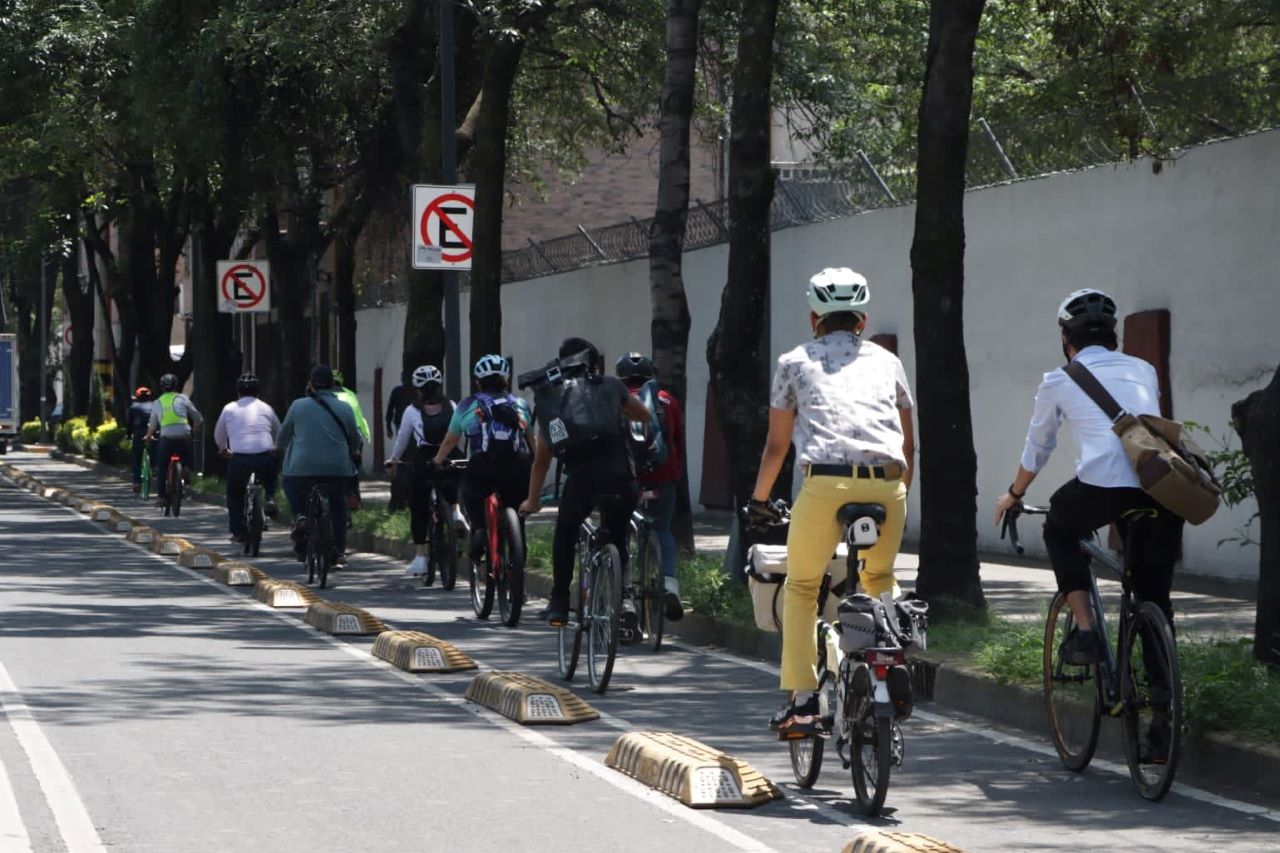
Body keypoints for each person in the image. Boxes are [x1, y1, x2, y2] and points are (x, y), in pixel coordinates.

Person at [993, 288, 1182, 761]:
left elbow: (1038, 447)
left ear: (1066, 339)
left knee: (1058, 528)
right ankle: (1161, 726)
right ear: (1113, 337)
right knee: (1153, 597)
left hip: (1101, 489)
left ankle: (1085, 628)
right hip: (1160, 488)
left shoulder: (1058, 379)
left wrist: (1014, 495)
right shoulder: (1143, 369)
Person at [746, 268, 915, 735]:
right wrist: (898, 494)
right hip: (887, 485)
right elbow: (908, 442)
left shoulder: (794, 362)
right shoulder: (887, 361)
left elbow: (777, 447)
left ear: (813, 317)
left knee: (802, 587)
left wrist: (759, 500)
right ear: (862, 319)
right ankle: (890, 658)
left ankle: (802, 703)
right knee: (878, 575)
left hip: (825, 487)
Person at [519, 337, 651, 628]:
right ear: (593, 363)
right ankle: (625, 598)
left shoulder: (552, 400)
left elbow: (542, 461)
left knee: (566, 531)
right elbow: (644, 415)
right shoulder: (611, 386)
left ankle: (559, 602)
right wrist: (618, 410)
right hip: (619, 475)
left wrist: (533, 500)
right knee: (618, 536)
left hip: (582, 479)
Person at [432, 355, 535, 575]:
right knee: (518, 520)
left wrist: (437, 461)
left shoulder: (467, 405)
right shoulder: (520, 404)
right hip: (518, 466)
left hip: (483, 466)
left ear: (478, 382)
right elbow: (531, 441)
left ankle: (479, 531)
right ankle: (518, 575)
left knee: (471, 495)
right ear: (506, 380)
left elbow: (451, 440)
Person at [616, 352, 685, 621]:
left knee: (620, 533)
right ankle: (669, 584)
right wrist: (673, 473)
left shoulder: (615, 399)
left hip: (625, 477)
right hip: (662, 475)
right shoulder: (667, 400)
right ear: (650, 375)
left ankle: (627, 596)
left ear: (620, 376)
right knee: (663, 530)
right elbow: (676, 440)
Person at [384, 365, 463, 580]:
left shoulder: (412, 410)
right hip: (451, 453)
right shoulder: (452, 406)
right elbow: (458, 432)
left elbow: (402, 438)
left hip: (425, 457)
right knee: (452, 481)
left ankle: (420, 556)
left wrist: (394, 460)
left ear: (417, 389)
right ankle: (456, 511)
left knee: (418, 504)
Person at [278, 365, 362, 567]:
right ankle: (340, 552)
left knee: (289, 483)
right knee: (338, 505)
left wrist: (279, 448)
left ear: (311, 384)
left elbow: (282, 436)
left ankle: (299, 515)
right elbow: (355, 439)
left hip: (302, 469)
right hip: (337, 469)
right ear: (333, 385)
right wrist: (351, 450)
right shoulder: (345, 407)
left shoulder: (297, 406)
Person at [213, 373, 281, 543]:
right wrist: (275, 448)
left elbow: (219, 434)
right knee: (270, 478)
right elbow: (278, 431)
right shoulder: (266, 408)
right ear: (258, 392)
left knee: (234, 494)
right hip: (265, 455)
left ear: (238, 391)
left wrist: (223, 449)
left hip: (240, 458)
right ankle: (271, 497)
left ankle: (238, 532)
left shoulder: (229, 408)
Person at [144, 373, 204, 505]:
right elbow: (198, 418)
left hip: (166, 438)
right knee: (186, 458)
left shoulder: (158, 402)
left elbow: (152, 424)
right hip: (184, 435)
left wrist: (148, 436)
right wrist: (196, 429)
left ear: (161, 387)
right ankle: (186, 470)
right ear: (176, 385)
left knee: (162, 467)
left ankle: (161, 497)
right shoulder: (183, 399)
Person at [332, 368, 370, 510]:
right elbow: (359, 418)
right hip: (355, 437)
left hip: (334, 439)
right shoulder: (351, 395)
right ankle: (354, 497)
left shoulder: (321, 397)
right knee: (353, 469)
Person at [385, 370, 417, 511]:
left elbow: (389, 410)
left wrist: (388, 426)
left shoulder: (399, 391)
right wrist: (388, 426)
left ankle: (399, 501)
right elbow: (390, 409)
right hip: (405, 426)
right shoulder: (410, 392)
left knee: (403, 457)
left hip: (404, 426)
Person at [127, 387, 156, 494]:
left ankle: (136, 483)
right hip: (153, 432)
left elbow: (129, 425)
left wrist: (128, 435)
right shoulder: (154, 406)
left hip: (139, 433)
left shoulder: (133, 407)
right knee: (155, 452)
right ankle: (155, 467)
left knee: (136, 457)